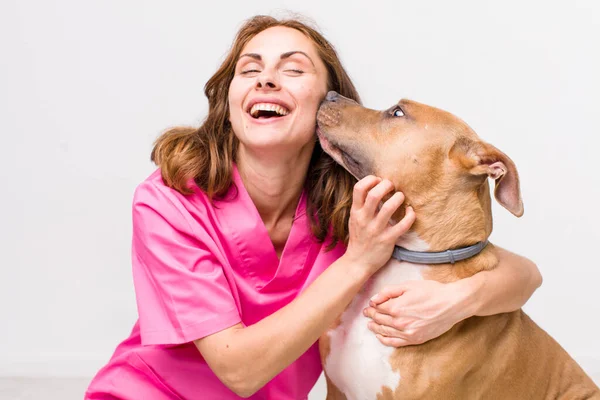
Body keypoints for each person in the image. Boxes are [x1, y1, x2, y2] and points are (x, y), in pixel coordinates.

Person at [85, 15, 542, 400]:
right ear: (228, 106)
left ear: (329, 107)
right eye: (249, 70)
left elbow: (520, 274)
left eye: (293, 69)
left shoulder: (355, 201)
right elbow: (239, 371)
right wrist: (359, 260)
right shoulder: (168, 201)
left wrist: (453, 301)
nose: (266, 78)